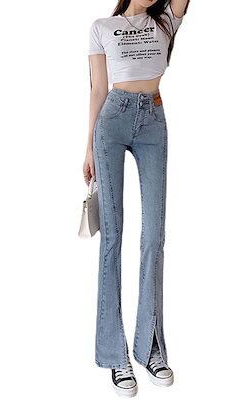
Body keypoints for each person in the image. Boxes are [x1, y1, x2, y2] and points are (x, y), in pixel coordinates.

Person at [83, 0, 190, 396]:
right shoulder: (101, 27)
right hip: (112, 119)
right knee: (112, 237)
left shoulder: (165, 20)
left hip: (153, 121)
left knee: (154, 237)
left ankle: (151, 348)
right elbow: (98, 88)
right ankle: (116, 356)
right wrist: (88, 147)